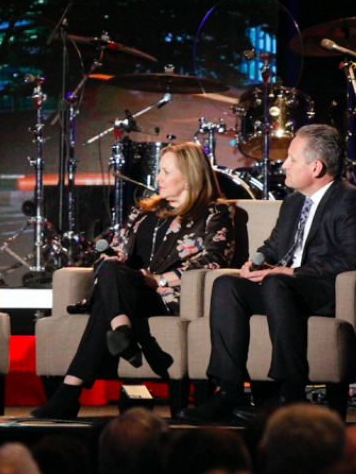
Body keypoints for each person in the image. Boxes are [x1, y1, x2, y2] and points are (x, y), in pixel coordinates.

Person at [176, 124, 356, 423]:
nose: (283, 164)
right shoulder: (294, 200)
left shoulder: (348, 199)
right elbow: (272, 246)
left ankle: (289, 391)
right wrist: (257, 262)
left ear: (316, 167)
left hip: (321, 289)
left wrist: (293, 272)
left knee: (277, 282)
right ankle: (228, 392)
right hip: (283, 286)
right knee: (227, 285)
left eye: (292, 158)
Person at [31, 142, 235, 419]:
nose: (158, 178)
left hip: (165, 297)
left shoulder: (214, 212)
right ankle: (121, 331)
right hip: (127, 290)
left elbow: (215, 260)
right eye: (159, 171)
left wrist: (159, 280)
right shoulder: (143, 212)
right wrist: (112, 257)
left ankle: (71, 392)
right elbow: (118, 249)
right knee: (110, 267)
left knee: (111, 286)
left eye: (165, 172)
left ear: (188, 176)